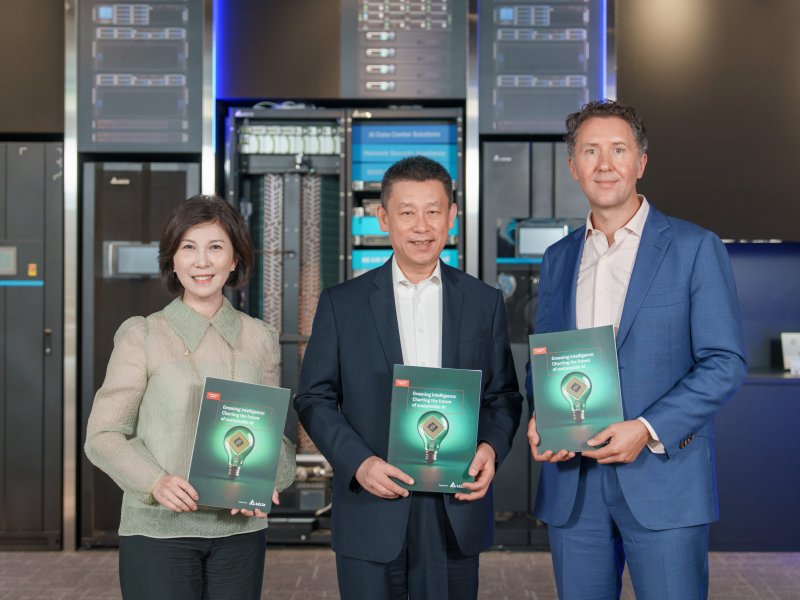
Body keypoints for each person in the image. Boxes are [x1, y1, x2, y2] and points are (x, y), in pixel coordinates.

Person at [526, 100, 747, 599]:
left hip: (662, 478)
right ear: (573, 166)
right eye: (591, 151)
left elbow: (724, 363)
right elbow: (543, 357)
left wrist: (646, 428)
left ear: (641, 162)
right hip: (574, 484)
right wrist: (541, 415)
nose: (604, 164)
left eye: (618, 150)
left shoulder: (694, 247)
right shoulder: (558, 257)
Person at [295, 156, 522, 599]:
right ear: (384, 218)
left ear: (452, 216)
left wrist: (491, 449)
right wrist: (359, 463)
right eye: (407, 212)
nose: (422, 226)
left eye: (433, 211)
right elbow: (314, 398)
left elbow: (503, 396)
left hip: (455, 507)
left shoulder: (483, 302)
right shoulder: (343, 304)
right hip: (372, 502)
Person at [85, 195, 296, 599]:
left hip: (240, 531)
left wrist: (270, 476)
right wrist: (155, 482)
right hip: (158, 530)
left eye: (215, 247)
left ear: (234, 260)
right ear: (173, 260)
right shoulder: (143, 335)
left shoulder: (260, 338)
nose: (202, 262)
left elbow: (274, 435)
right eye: (188, 248)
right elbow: (104, 435)